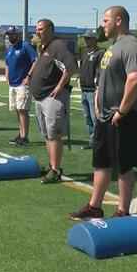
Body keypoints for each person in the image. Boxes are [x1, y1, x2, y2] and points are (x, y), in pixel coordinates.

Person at [69, 6, 137, 219]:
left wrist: (122, 110)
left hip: (121, 116)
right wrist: (96, 99)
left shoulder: (130, 45)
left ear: (118, 20)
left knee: (123, 165)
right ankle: (95, 206)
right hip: (105, 115)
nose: (103, 25)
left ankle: (123, 210)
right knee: (101, 161)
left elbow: (135, 78)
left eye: (106, 20)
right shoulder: (113, 46)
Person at [29, 19, 78, 183]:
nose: (38, 32)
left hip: (52, 97)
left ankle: (56, 169)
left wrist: (59, 87)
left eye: (41, 29)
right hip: (41, 97)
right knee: (46, 134)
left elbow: (70, 67)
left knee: (54, 134)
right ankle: (52, 166)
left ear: (50, 29)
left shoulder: (58, 46)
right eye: (37, 29)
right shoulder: (43, 47)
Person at [4, 26, 37, 146]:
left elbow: (35, 60)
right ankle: (21, 133)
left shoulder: (25, 46)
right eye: (9, 34)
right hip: (12, 84)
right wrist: (6, 75)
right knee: (17, 110)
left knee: (23, 110)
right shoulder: (9, 48)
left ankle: (24, 136)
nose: (10, 36)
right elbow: (7, 63)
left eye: (12, 34)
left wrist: (28, 76)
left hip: (22, 84)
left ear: (17, 34)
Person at [78, 29, 104, 149]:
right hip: (84, 89)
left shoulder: (100, 53)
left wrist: (97, 83)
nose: (86, 40)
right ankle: (92, 140)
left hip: (93, 90)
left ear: (94, 39)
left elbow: (100, 70)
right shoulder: (84, 52)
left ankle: (99, 140)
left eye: (88, 38)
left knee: (95, 117)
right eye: (85, 38)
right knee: (87, 117)